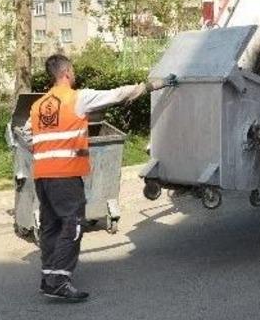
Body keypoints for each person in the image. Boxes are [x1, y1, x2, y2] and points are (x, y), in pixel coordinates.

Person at [22, 54, 176, 302]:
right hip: (66, 174)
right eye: (72, 71)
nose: (73, 74)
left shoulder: (38, 105)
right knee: (72, 225)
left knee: (51, 226)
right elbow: (117, 94)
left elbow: (27, 133)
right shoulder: (77, 98)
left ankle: (48, 277)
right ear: (66, 72)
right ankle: (59, 281)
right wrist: (151, 86)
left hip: (42, 176)